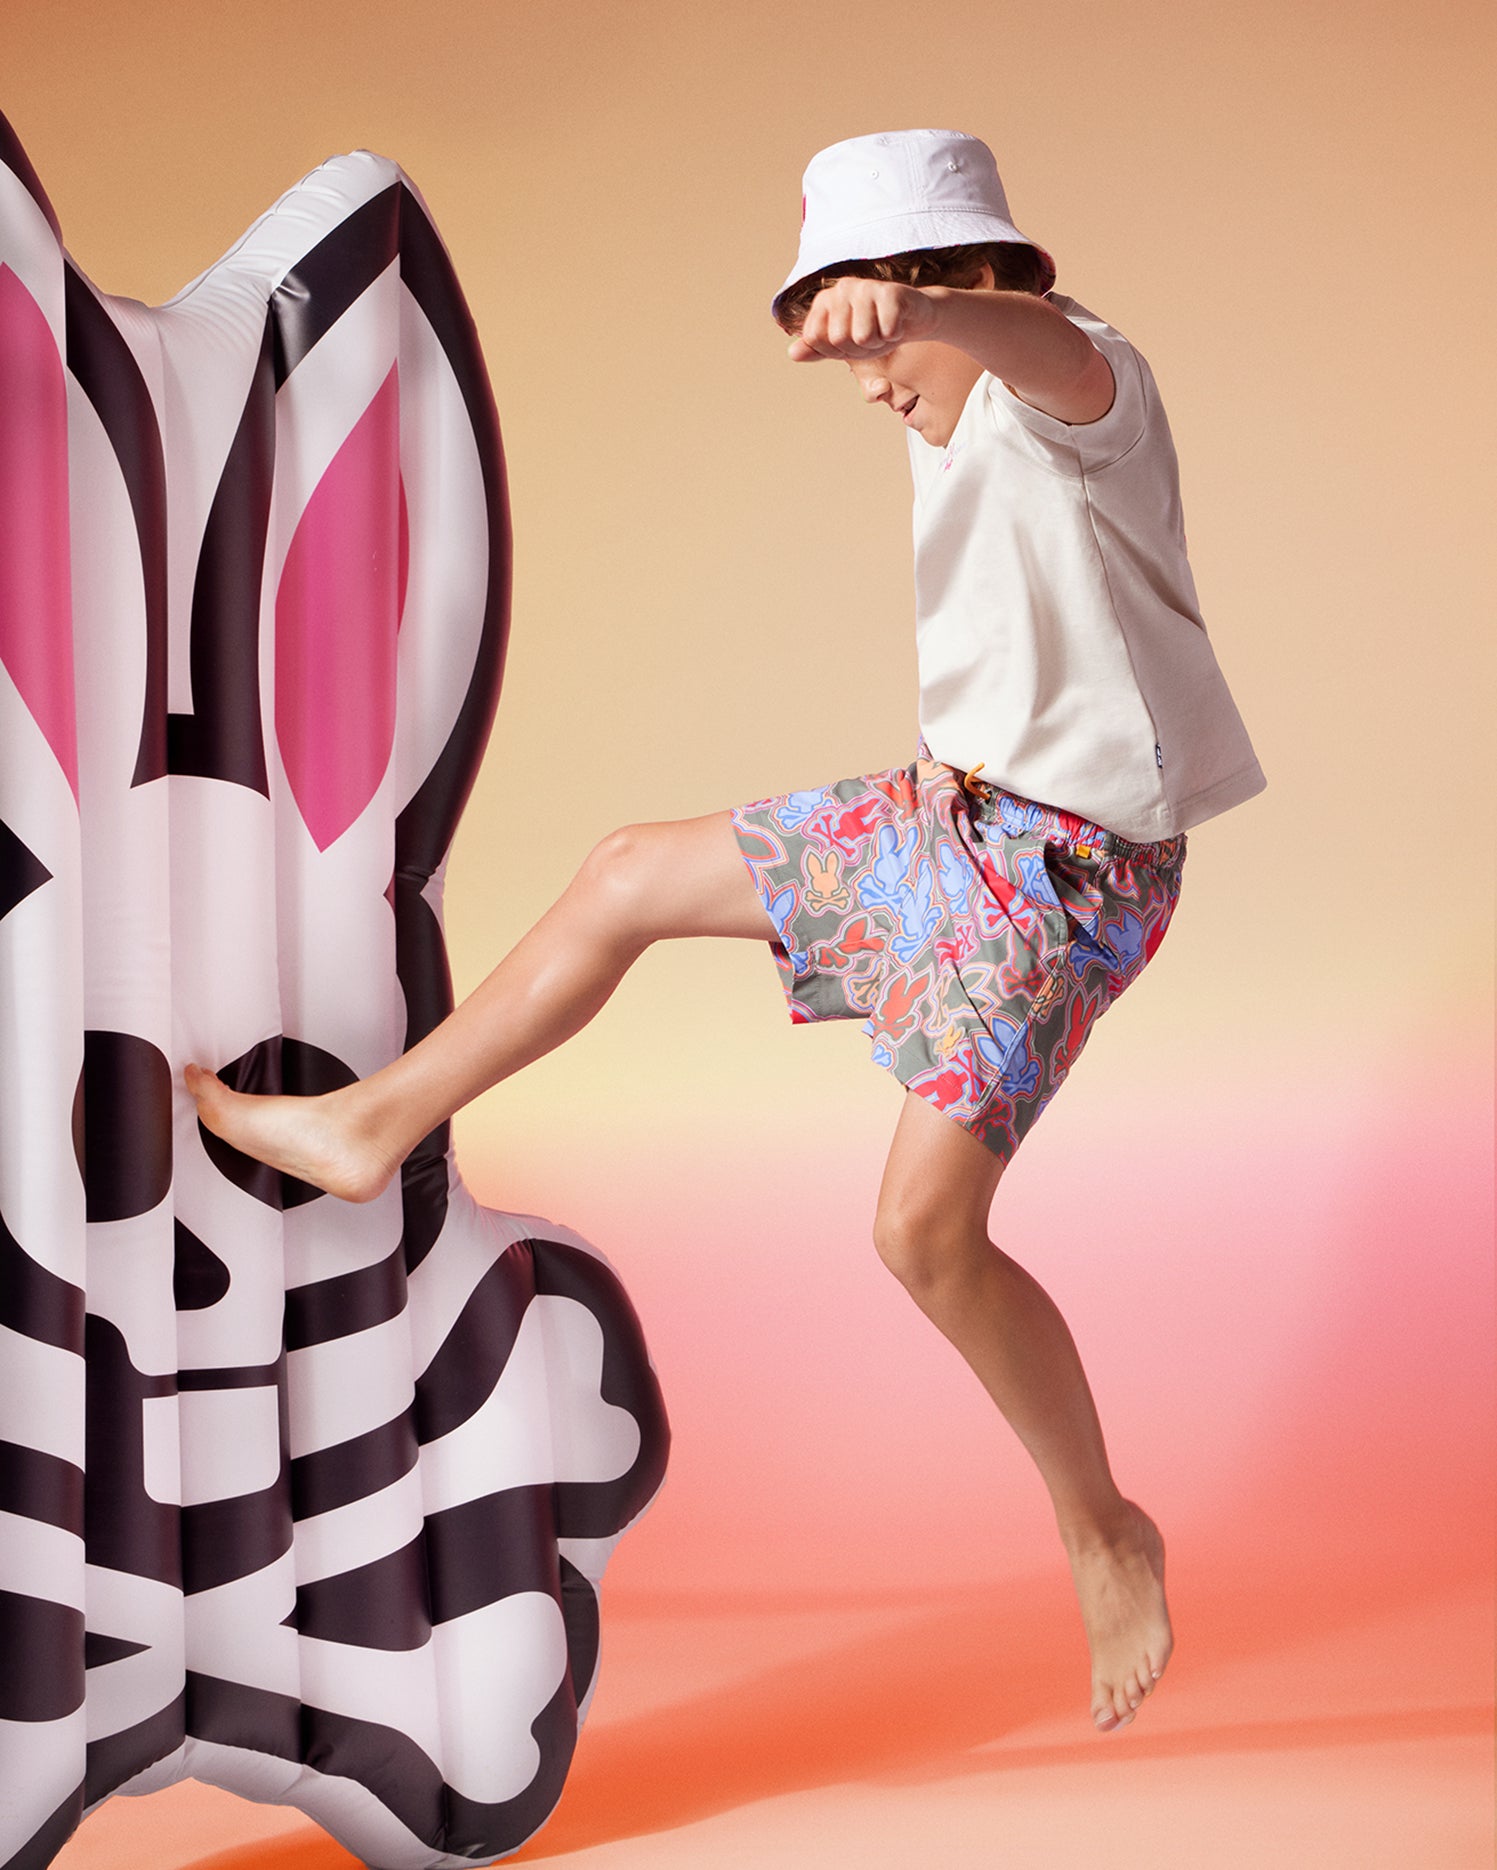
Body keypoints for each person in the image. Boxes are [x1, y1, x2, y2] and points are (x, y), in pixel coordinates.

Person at [187, 128, 1265, 1735]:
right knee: (625, 870)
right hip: (939, 818)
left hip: (1067, 874)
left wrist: (918, 307)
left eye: (886, 335)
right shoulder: (945, 404)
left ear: (960, 286)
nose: (869, 381)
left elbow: (1048, 340)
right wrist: (895, 323)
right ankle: (369, 1122)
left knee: (919, 1237)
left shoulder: (1078, 393)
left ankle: (1100, 1521)